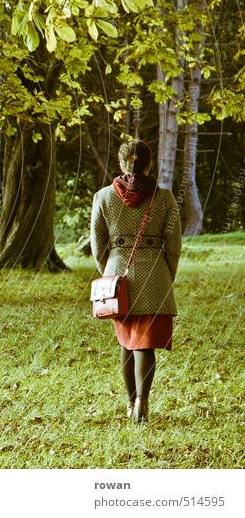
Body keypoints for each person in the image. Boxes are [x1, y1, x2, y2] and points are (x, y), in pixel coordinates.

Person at [90, 140, 182, 423]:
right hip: (155, 274)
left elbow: (98, 244)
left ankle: (131, 402)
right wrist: (166, 273)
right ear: (148, 163)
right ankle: (143, 401)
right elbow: (174, 244)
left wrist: (109, 270)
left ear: (121, 164)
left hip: (119, 275)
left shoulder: (103, 197)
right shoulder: (164, 198)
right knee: (146, 344)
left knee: (127, 342)